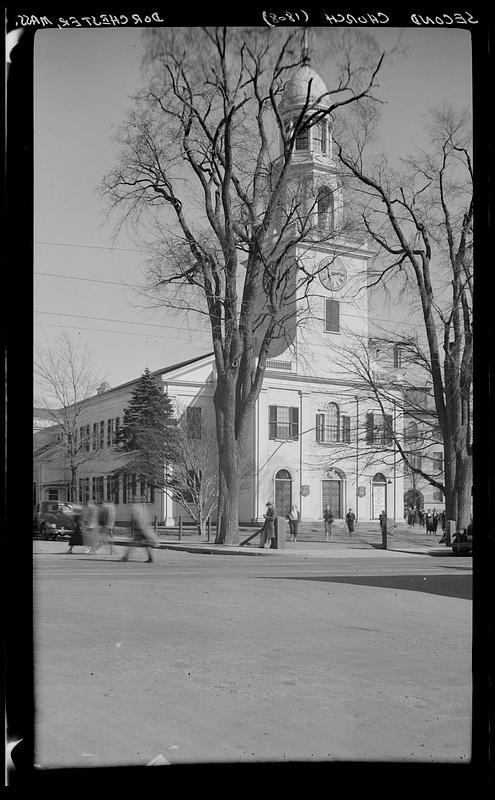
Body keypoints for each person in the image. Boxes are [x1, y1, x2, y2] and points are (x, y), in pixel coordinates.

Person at [121, 496, 158, 562]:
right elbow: (147, 517)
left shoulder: (135, 508)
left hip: (139, 528)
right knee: (146, 544)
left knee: (132, 544)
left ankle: (126, 557)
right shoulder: (143, 507)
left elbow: (136, 519)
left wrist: (132, 527)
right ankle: (150, 557)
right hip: (144, 528)